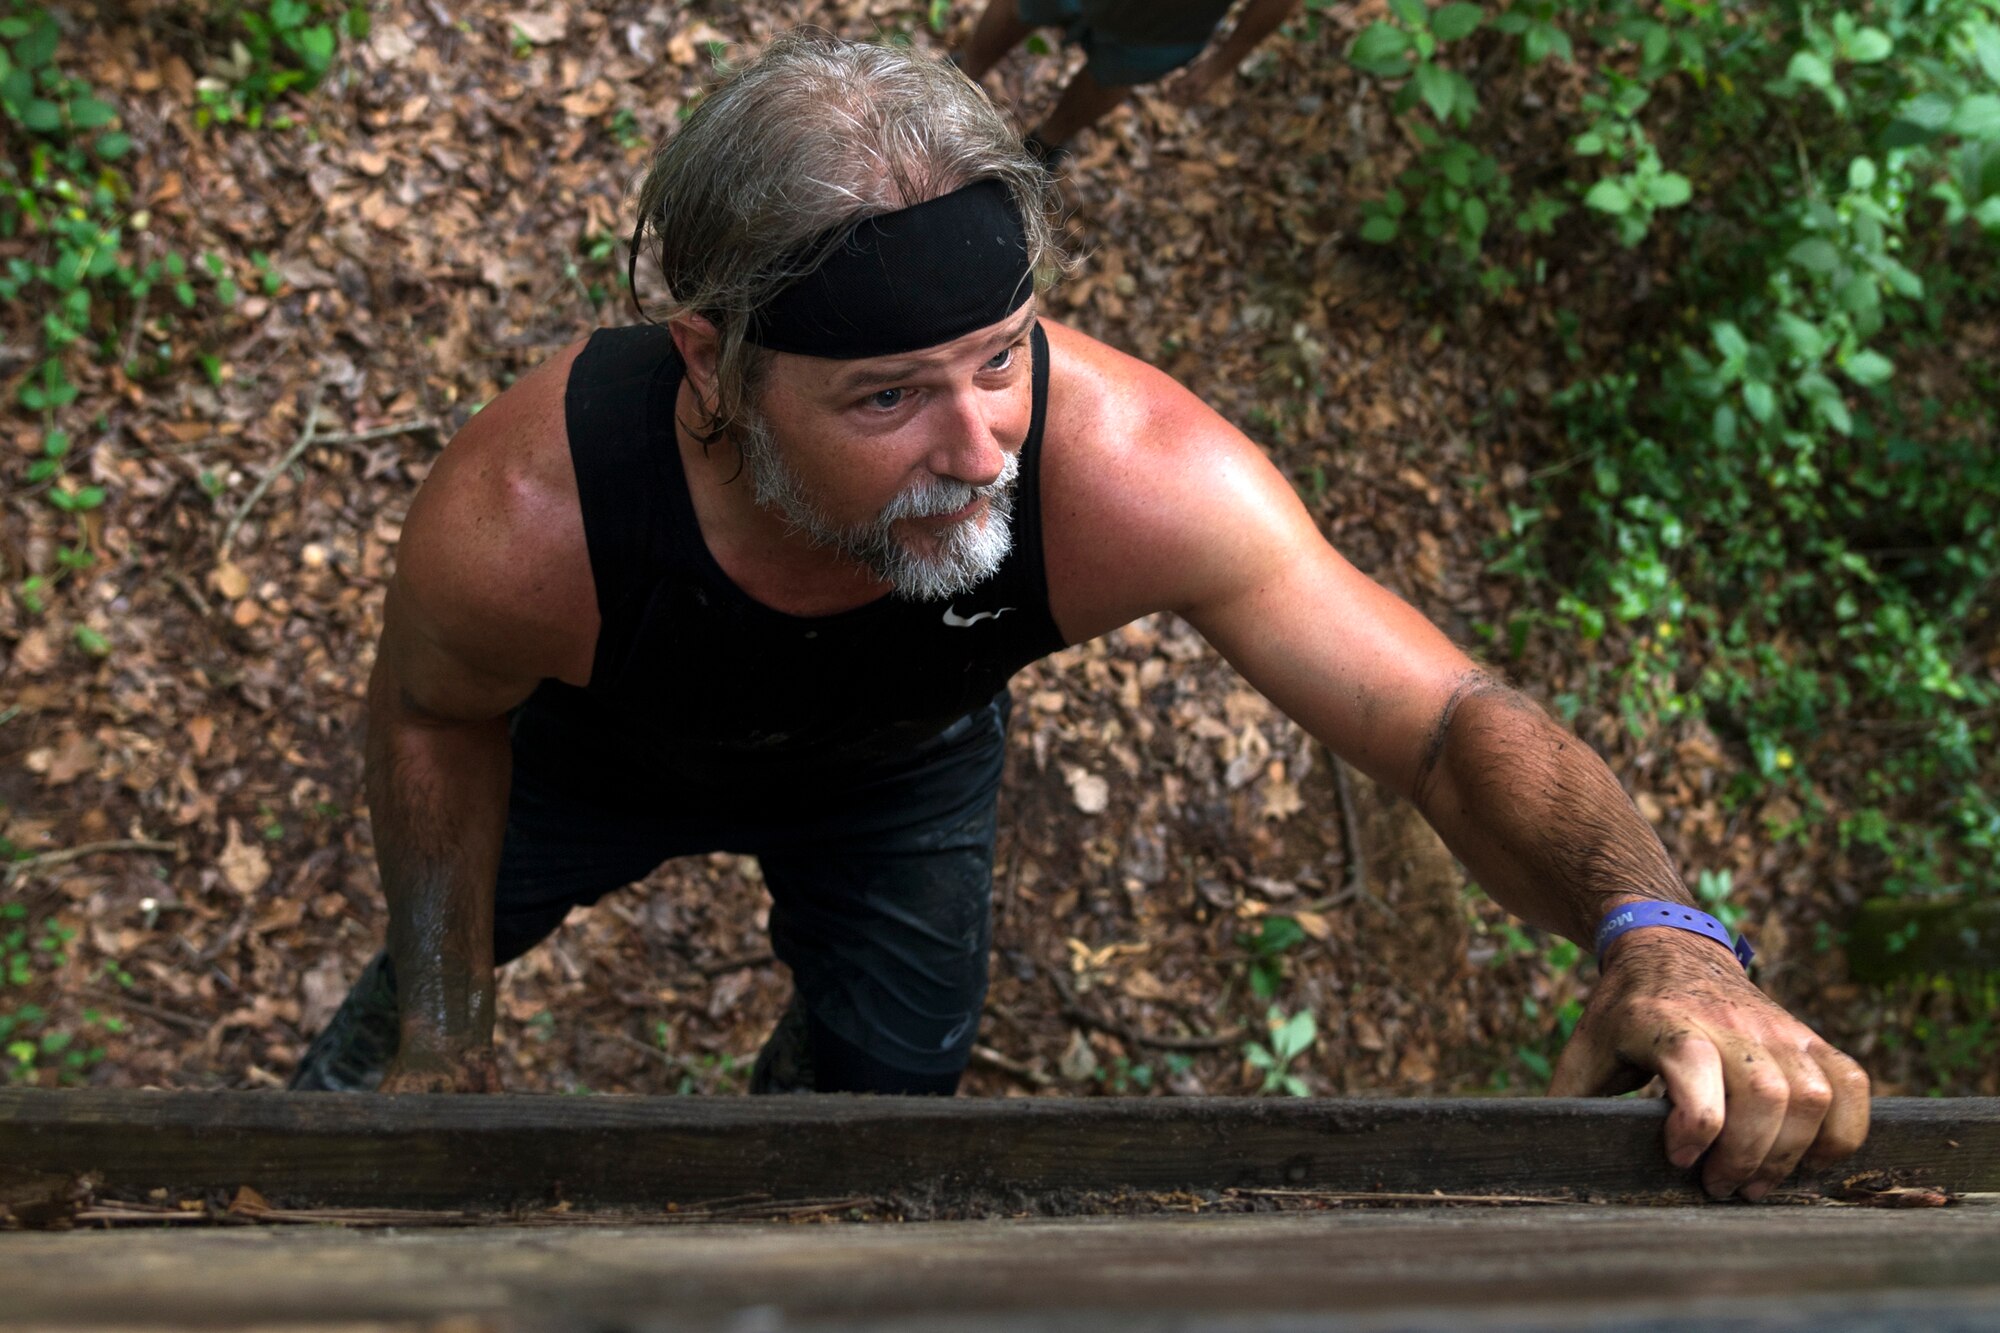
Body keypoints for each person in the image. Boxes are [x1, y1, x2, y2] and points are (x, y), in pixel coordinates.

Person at [290, 32, 1869, 1202]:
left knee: (891, 1090)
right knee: (401, 1046)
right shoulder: (537, 516)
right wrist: (448, 1029)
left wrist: (1665, 933)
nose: (980, 447)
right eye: (889, 395)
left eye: (1001, 357)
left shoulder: (1122, 467)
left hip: (896, 771)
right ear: (713, 365)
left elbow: (1444, 718)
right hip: (591, 753)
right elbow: (436, 714)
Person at [953, 0, 1302, 166]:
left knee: (1114, 75)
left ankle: (1042, 150)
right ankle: (952, 79)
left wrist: (1222, 63)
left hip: (1166, 25)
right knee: (1021, 7)